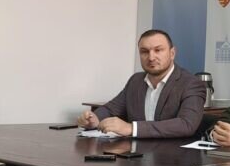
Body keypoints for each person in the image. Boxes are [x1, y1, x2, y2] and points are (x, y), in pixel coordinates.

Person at [77, 29, 206, 138]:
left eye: (158, 50)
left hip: (173, 156)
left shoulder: (191, 84)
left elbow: (186, 124)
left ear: (172, 53)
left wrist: (132, 128)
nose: (151, 57)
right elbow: (111, 109)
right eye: (144, 51)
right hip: (136, 154)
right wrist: (94, 119)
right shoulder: (135, 81)